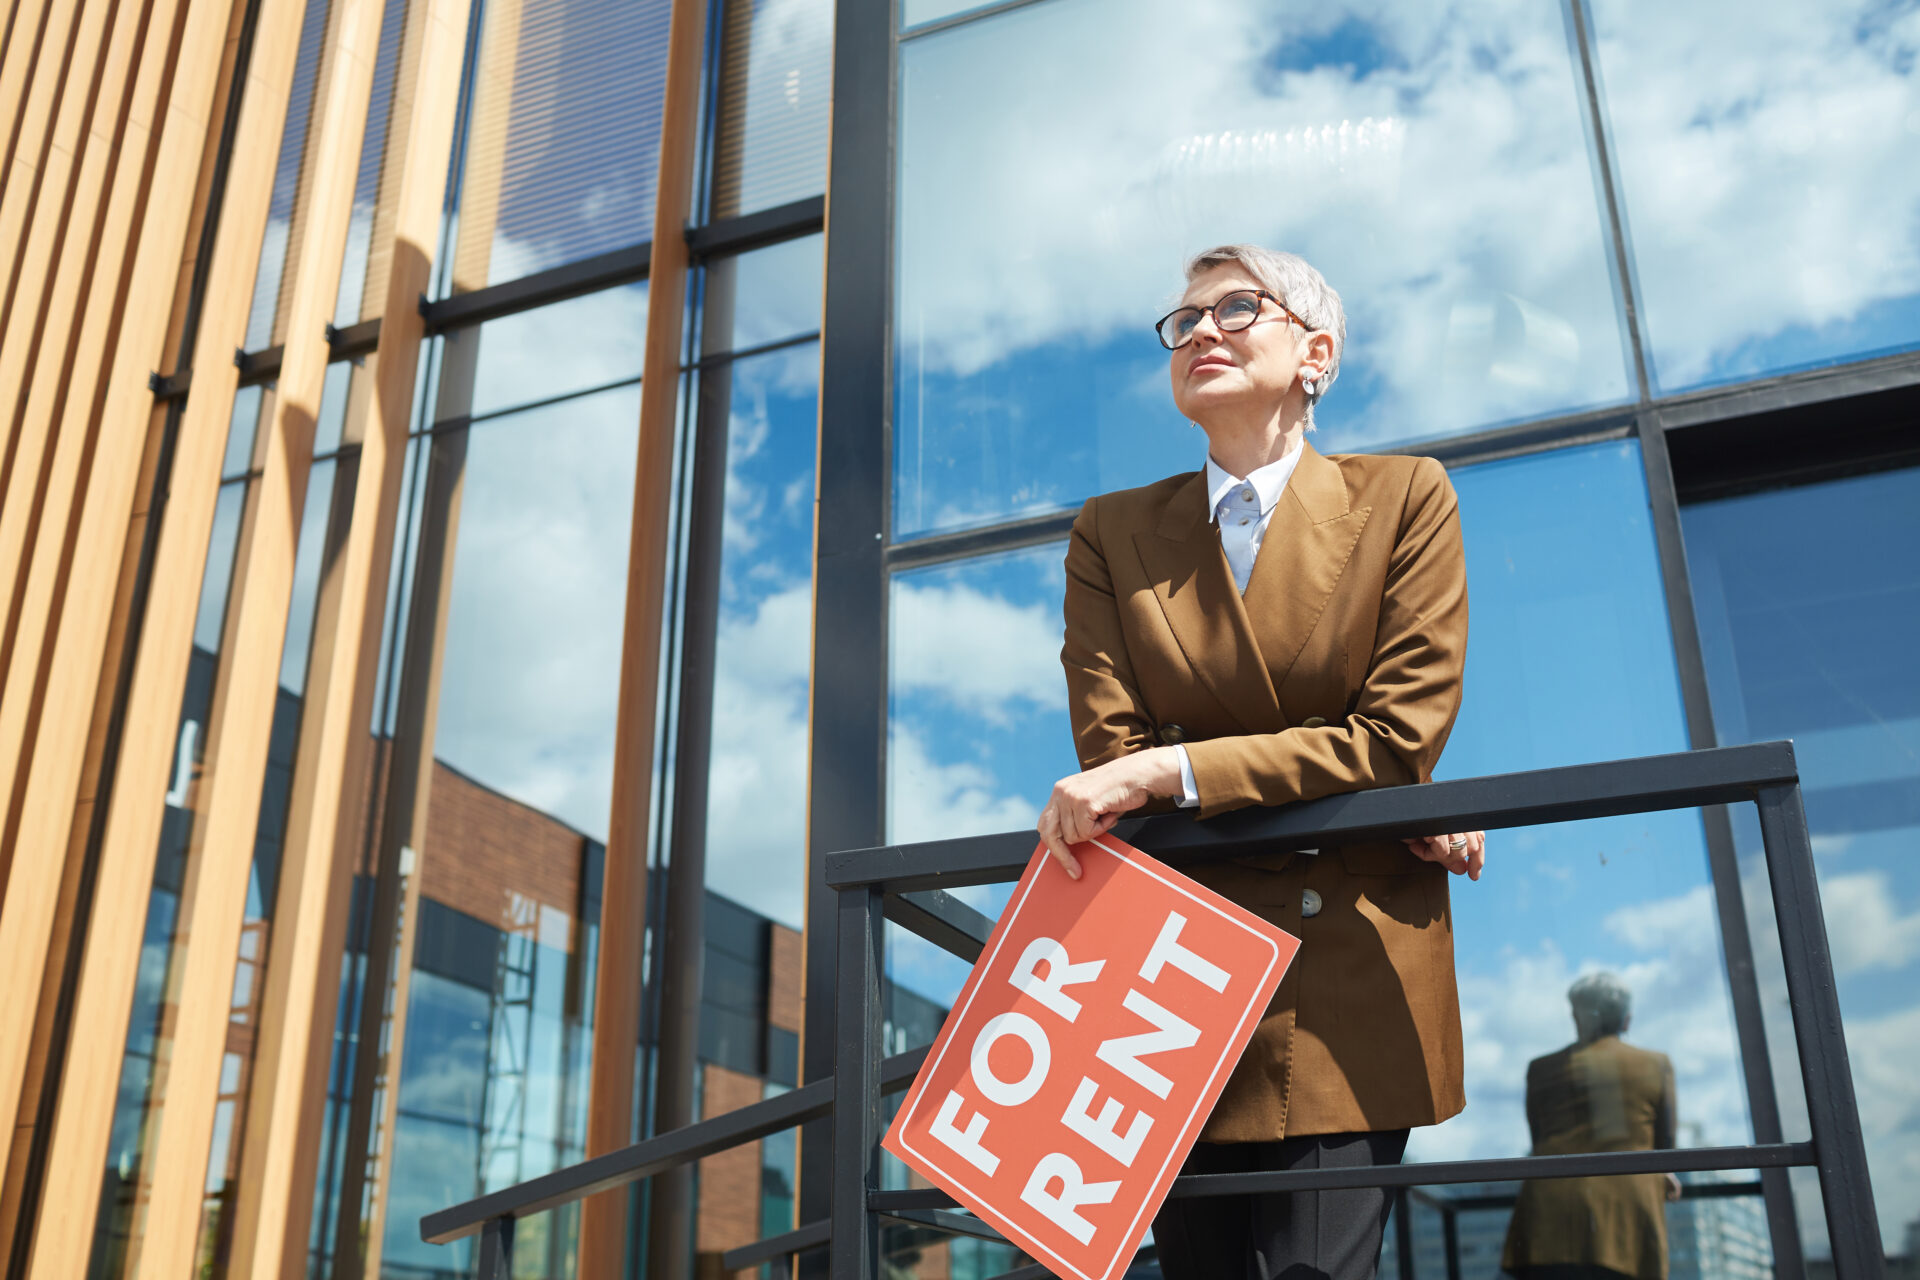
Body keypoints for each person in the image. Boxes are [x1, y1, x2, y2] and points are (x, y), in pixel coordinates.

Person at [1036, 243, 1485, 1280]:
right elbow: (1110, 749)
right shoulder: (1111, 533)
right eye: (1183, 319)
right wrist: (1359, 781)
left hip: (1349, 972)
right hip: (1171, 982)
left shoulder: (1406, 498)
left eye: (1236, 308)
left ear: (1315, 351)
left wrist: (1175, 771)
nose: (1199, 330)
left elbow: (1396, 733)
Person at [1502, 972, 1681, 1280]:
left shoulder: (1540, 1069)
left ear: (1576, 1016)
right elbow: (1665, 1146)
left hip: (1548, 1217)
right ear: (1626, 1019)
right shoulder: (1656, 1064)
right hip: (1628, 1219)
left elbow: (1539, 1137)